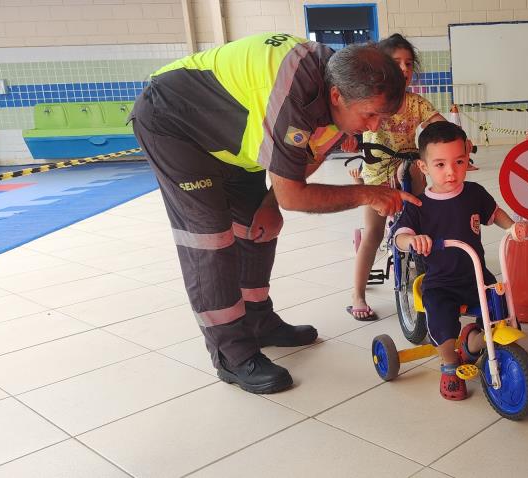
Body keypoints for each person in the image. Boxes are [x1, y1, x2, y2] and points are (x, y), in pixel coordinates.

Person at [131, 33, 418, 395]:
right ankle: (231, 355)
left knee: (258, 226)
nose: (374, 127)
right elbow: (294, 195)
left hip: (231, 140)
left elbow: (307, 160)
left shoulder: (340, 83)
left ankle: (258, 322)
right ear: (337, 97)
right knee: (211, 239)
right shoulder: (296, 95)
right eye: (370, 115)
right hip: (174, 125)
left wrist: (270, 204)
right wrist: (365, 193)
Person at [392, 121, 528, 401]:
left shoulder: (474, 193)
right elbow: (400, 236)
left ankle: (472, 344)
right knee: (442, 327)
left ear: (468, 158)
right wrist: (413, 241)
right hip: (440, 282)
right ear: (424, 167)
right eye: (440, 164)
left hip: (476, 277)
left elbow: (495, 213)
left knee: (503, 317)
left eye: (459, 162)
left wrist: (512, 227)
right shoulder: (418, 205)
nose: (451, 171)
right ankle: (450, 364)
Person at [347, 34, 446, 321]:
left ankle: (417, 226)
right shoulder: (369, 100)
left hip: (408, 165)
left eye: (409, 63)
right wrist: (350, 139)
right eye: (396, 62)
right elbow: (350, 126)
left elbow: (437, 125)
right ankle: (357, 294)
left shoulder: (416, 104)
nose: (404, 68)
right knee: (373, 233)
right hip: (376, 171)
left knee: (418, 171)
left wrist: (454, 141)